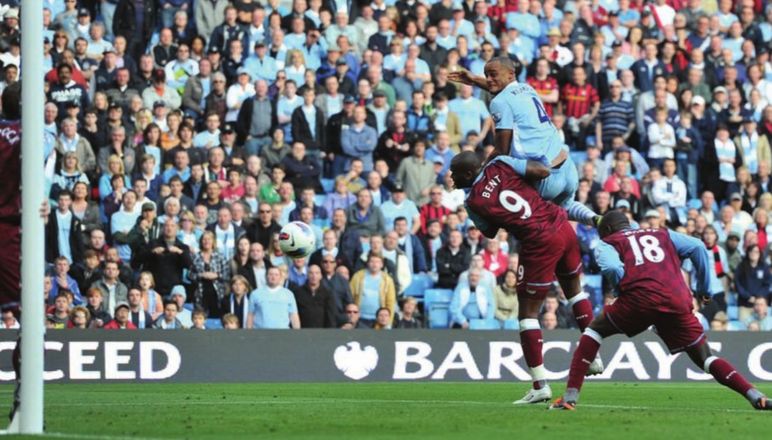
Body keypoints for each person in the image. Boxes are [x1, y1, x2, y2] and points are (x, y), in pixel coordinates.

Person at [549, 210, 771, 411]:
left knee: (593, 331)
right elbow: (698, 246)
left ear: (606, 229)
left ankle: (569, 398)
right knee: (706, 358)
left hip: (639, 300)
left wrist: (621, 289)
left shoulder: (608, 242)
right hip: (676, 300)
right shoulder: (662, 234)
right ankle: (755, 396)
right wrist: (704, 289)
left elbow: (613, 267)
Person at [450, 150, 600, 404]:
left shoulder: (472, 202)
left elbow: (489, 232)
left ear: (468, 173)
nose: (451, 177)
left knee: (528, 315)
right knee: (575, 292)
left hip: (538, 241)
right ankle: (593, 357)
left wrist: (498, 210)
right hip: (561, 225)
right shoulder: (500, 163)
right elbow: (541, 171)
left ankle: (540, 385)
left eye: (455, 173)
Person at [448, 57, 599, 226]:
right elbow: (504, 90)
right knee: (567, 207)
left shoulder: (499, 102)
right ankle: (596, 219)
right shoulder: (527, 88)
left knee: (500, 175)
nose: (489, 79)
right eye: (486, 75)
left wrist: (480, 174)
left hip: (545, 177)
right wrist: (475, 80)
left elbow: (502, 150)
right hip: (567, 169)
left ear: (511, 74)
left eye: (493, 74)